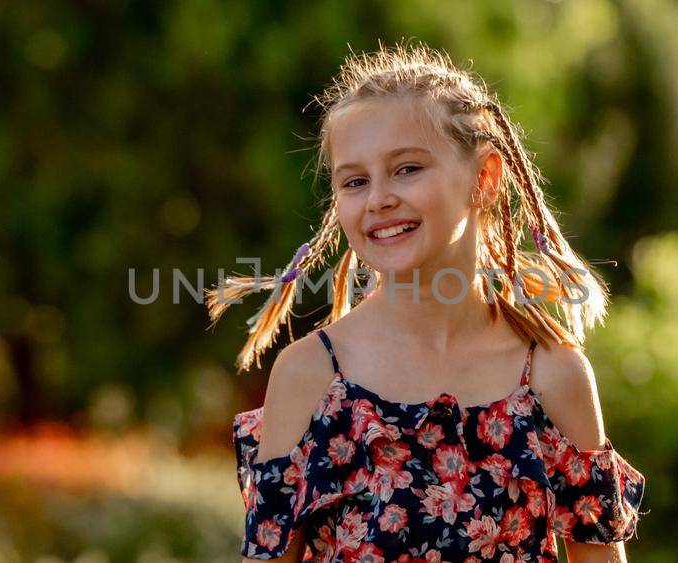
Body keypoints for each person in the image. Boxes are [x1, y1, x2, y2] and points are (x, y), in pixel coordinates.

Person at [208, 40, 645, 563]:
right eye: (354, 181)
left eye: (408, 168)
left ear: (484, 178)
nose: (379, 198)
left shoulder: (553, 377)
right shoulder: (309, 378)